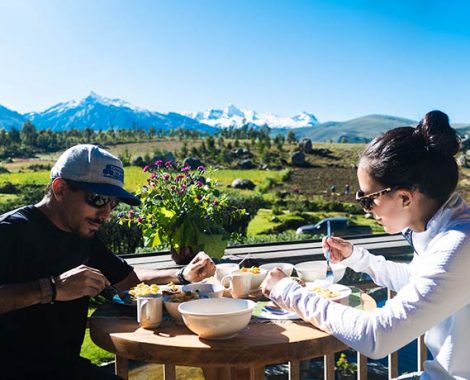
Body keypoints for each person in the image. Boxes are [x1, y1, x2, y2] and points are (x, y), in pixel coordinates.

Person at [262, 110, 470, 379]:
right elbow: (419, 282)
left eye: (367, 199)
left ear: (405, 197)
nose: (366, 210)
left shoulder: (458, 245)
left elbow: (376, 336)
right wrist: (357, 258)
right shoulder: (442, 232)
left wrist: (286, 290)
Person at [0, 144, 216, 380]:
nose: (106, 214)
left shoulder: (83, 235)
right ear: (60, 189)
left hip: (64, 369)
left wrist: (182, 275)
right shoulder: (10, 231)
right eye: (97, 199)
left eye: (113, 204)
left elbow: (128, 279)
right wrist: (52, 288)